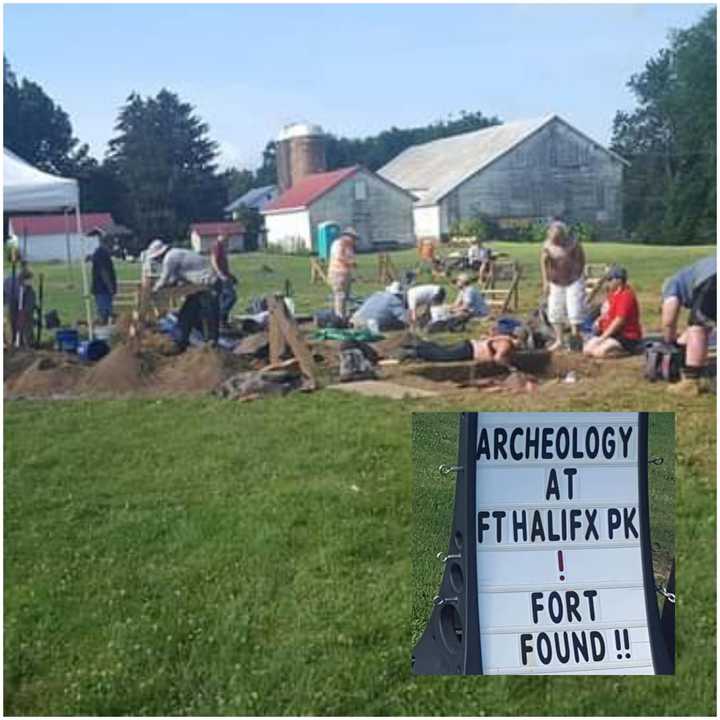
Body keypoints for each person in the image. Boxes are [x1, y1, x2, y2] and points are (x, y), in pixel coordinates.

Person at [148, 240, 220, 351]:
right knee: (188, 313)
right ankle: (180, 341)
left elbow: (165, 278)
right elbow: (174, 279)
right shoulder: (177, 254)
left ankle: (210, 345)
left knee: (208, 316)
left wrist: (154, 290)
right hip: (199, 287)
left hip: (208, 285)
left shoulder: (170, 257)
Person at [661, 256, 716, 393]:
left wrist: (670, 342)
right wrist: (682, 341)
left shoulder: (672, 283)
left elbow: (668, 320)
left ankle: (691, 381)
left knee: (698, 326)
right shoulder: (691, 273)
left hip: (713, 278)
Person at [540, 221, 586, 351]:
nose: (556, 241)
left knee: (574, 309)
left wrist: (577, 273)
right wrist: (545, 281)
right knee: (555, 309)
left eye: (558, 238)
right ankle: (559, 340)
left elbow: (582, 259)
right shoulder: (547, 246)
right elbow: (543, 262)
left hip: (573, 280)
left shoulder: (574, 243)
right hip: (555, 281)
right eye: (553, 238)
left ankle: (575, 340)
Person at [583, 265, 642, 358]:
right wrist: (599, 321)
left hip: (626, 336)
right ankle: (609, 345)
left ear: (618, 281)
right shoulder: (612, 294)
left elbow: (618, 321)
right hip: (611, 333)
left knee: (599, 353)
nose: (608, 282)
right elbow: (606, 313)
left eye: (610, 279)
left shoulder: (626, 295)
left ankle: (627, 351)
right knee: (587, 350)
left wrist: (603, 338)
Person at [400, 332, 521, 367]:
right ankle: (414, 352)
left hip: (469, 346)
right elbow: (498, 358)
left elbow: (487, 337)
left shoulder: (504, 337)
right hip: (470, 350)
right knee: (442, 356)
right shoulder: (507, 343)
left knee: (442, 350)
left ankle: (418, 345)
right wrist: (511, 368)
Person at [328, 227, 358, 320]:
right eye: (353, 238)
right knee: (340, 296)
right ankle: (339, 317)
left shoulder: (349, 247)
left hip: (346, 274)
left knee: (346, 297)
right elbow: (339, 257)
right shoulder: (338, 244)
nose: (354, 241)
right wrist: (350, 262)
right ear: (346, 236)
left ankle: (345, 316)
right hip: (337, 273)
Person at [4, 262, 36, 347]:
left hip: (21, 305)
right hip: (12, 302)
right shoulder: (9, 282)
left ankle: (27, 342)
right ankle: (15, 341)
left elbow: (28, 309)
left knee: (26, 321)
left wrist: (24, 314)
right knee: (13, 322)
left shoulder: (29, 291)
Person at [210, 234, 238, 325]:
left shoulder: (222, 248)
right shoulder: (217, 246)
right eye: (227, 240)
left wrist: (231, 276)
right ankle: (220, 316)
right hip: (221, 277)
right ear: (222, 238)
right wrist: (219, 274)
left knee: (223, 298)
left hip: (225, 276)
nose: (228, 243)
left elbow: (224, 265)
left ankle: (222, 322)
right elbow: (213, 261)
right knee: (231, 297)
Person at [89, 234, 117, 325]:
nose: (113, 246)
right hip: (102, 289)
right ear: (107, 242)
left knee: (106, 312)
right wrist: (110, 287)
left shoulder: (102, 253)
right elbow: (103, 272)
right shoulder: (101, 254)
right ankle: (102, 329)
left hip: (103, 289)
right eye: (112, 243)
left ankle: (104, 326)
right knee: (104, 313)